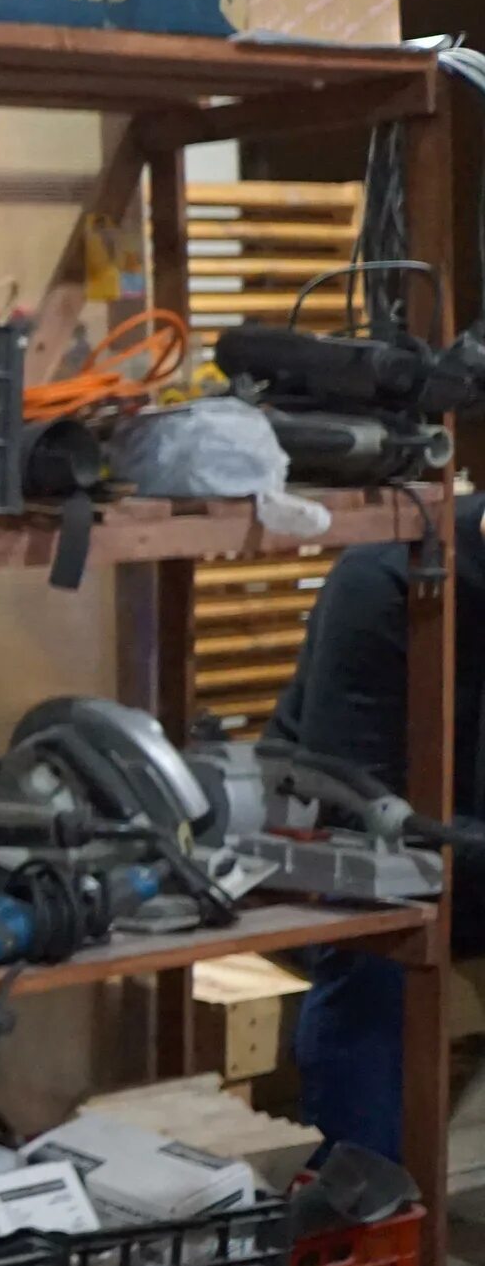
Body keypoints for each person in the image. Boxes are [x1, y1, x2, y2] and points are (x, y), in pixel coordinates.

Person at [277, 493, 485, 1163]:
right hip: (372, 854)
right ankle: (363, 1207)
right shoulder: (387, 581)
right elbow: (352, 809)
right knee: (373, 953)